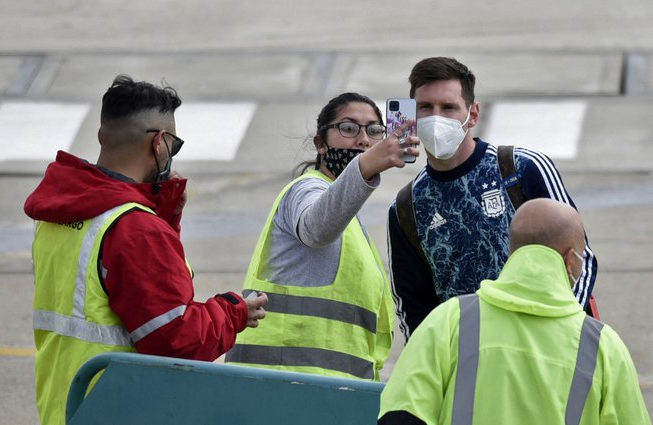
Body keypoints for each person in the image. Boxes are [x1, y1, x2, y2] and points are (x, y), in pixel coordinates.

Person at [24, 75, 268, 425]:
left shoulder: (59, 215)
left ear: (101, 136)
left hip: (66, 404)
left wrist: (163, 215)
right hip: (120, 407)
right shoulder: (135, 229)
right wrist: (234, 312)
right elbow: (176, 340)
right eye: (175, 144)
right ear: (160, 144)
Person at [379, 198, 651, 425]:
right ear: (570, 259)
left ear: (514, 251)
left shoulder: (450, 320)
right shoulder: (602, 347)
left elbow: (401, 415)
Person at [388, 57, 598, 339]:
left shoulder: (522, 168)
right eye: (426, 107)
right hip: (470, 360)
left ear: (473, 114)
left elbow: (580, 260)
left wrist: (557, 332)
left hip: (544, 342)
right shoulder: (406, 207)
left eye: (449, 107)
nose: (436, 117)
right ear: (411, 117)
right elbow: (413, 306)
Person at [225, 92, 419, 381]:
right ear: (320, 144)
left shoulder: (348, 215)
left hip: (328, 390)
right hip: (281, 383)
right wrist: (365, 167)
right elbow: (315, 229)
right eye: (349, 128)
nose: (363, 140)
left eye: (374, 131)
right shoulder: (305, 190)